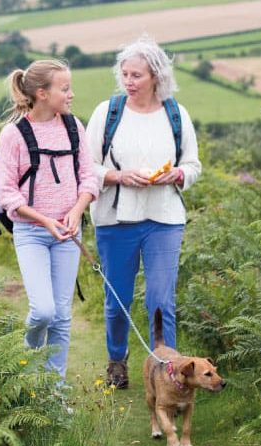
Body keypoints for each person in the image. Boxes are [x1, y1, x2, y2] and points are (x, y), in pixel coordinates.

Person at [84, 37, 202, 389]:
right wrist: (117, 175)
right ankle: (117, 361)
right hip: (115, 219)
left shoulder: (176, 114)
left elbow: (193, 164)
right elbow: (86, 167)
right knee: (118, 300)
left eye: (136, 75)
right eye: (124, 74)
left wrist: (178, 174)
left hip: (164, 217)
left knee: (161, 299)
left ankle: (167, 373)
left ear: (156, 77)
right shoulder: (108, 112)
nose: (129, 81)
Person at [0, 59, 99, 378]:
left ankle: (56, 393)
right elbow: (6, 193)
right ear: (42, 93)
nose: (71, 94)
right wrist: (45, 220)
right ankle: (26, 365)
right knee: (43, 311)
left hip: (68, 234)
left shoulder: (73, 127)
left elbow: (89, 177)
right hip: (31, 233)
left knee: (62, 316)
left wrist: (76, 211)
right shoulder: (13, 135)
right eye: (64, 89)